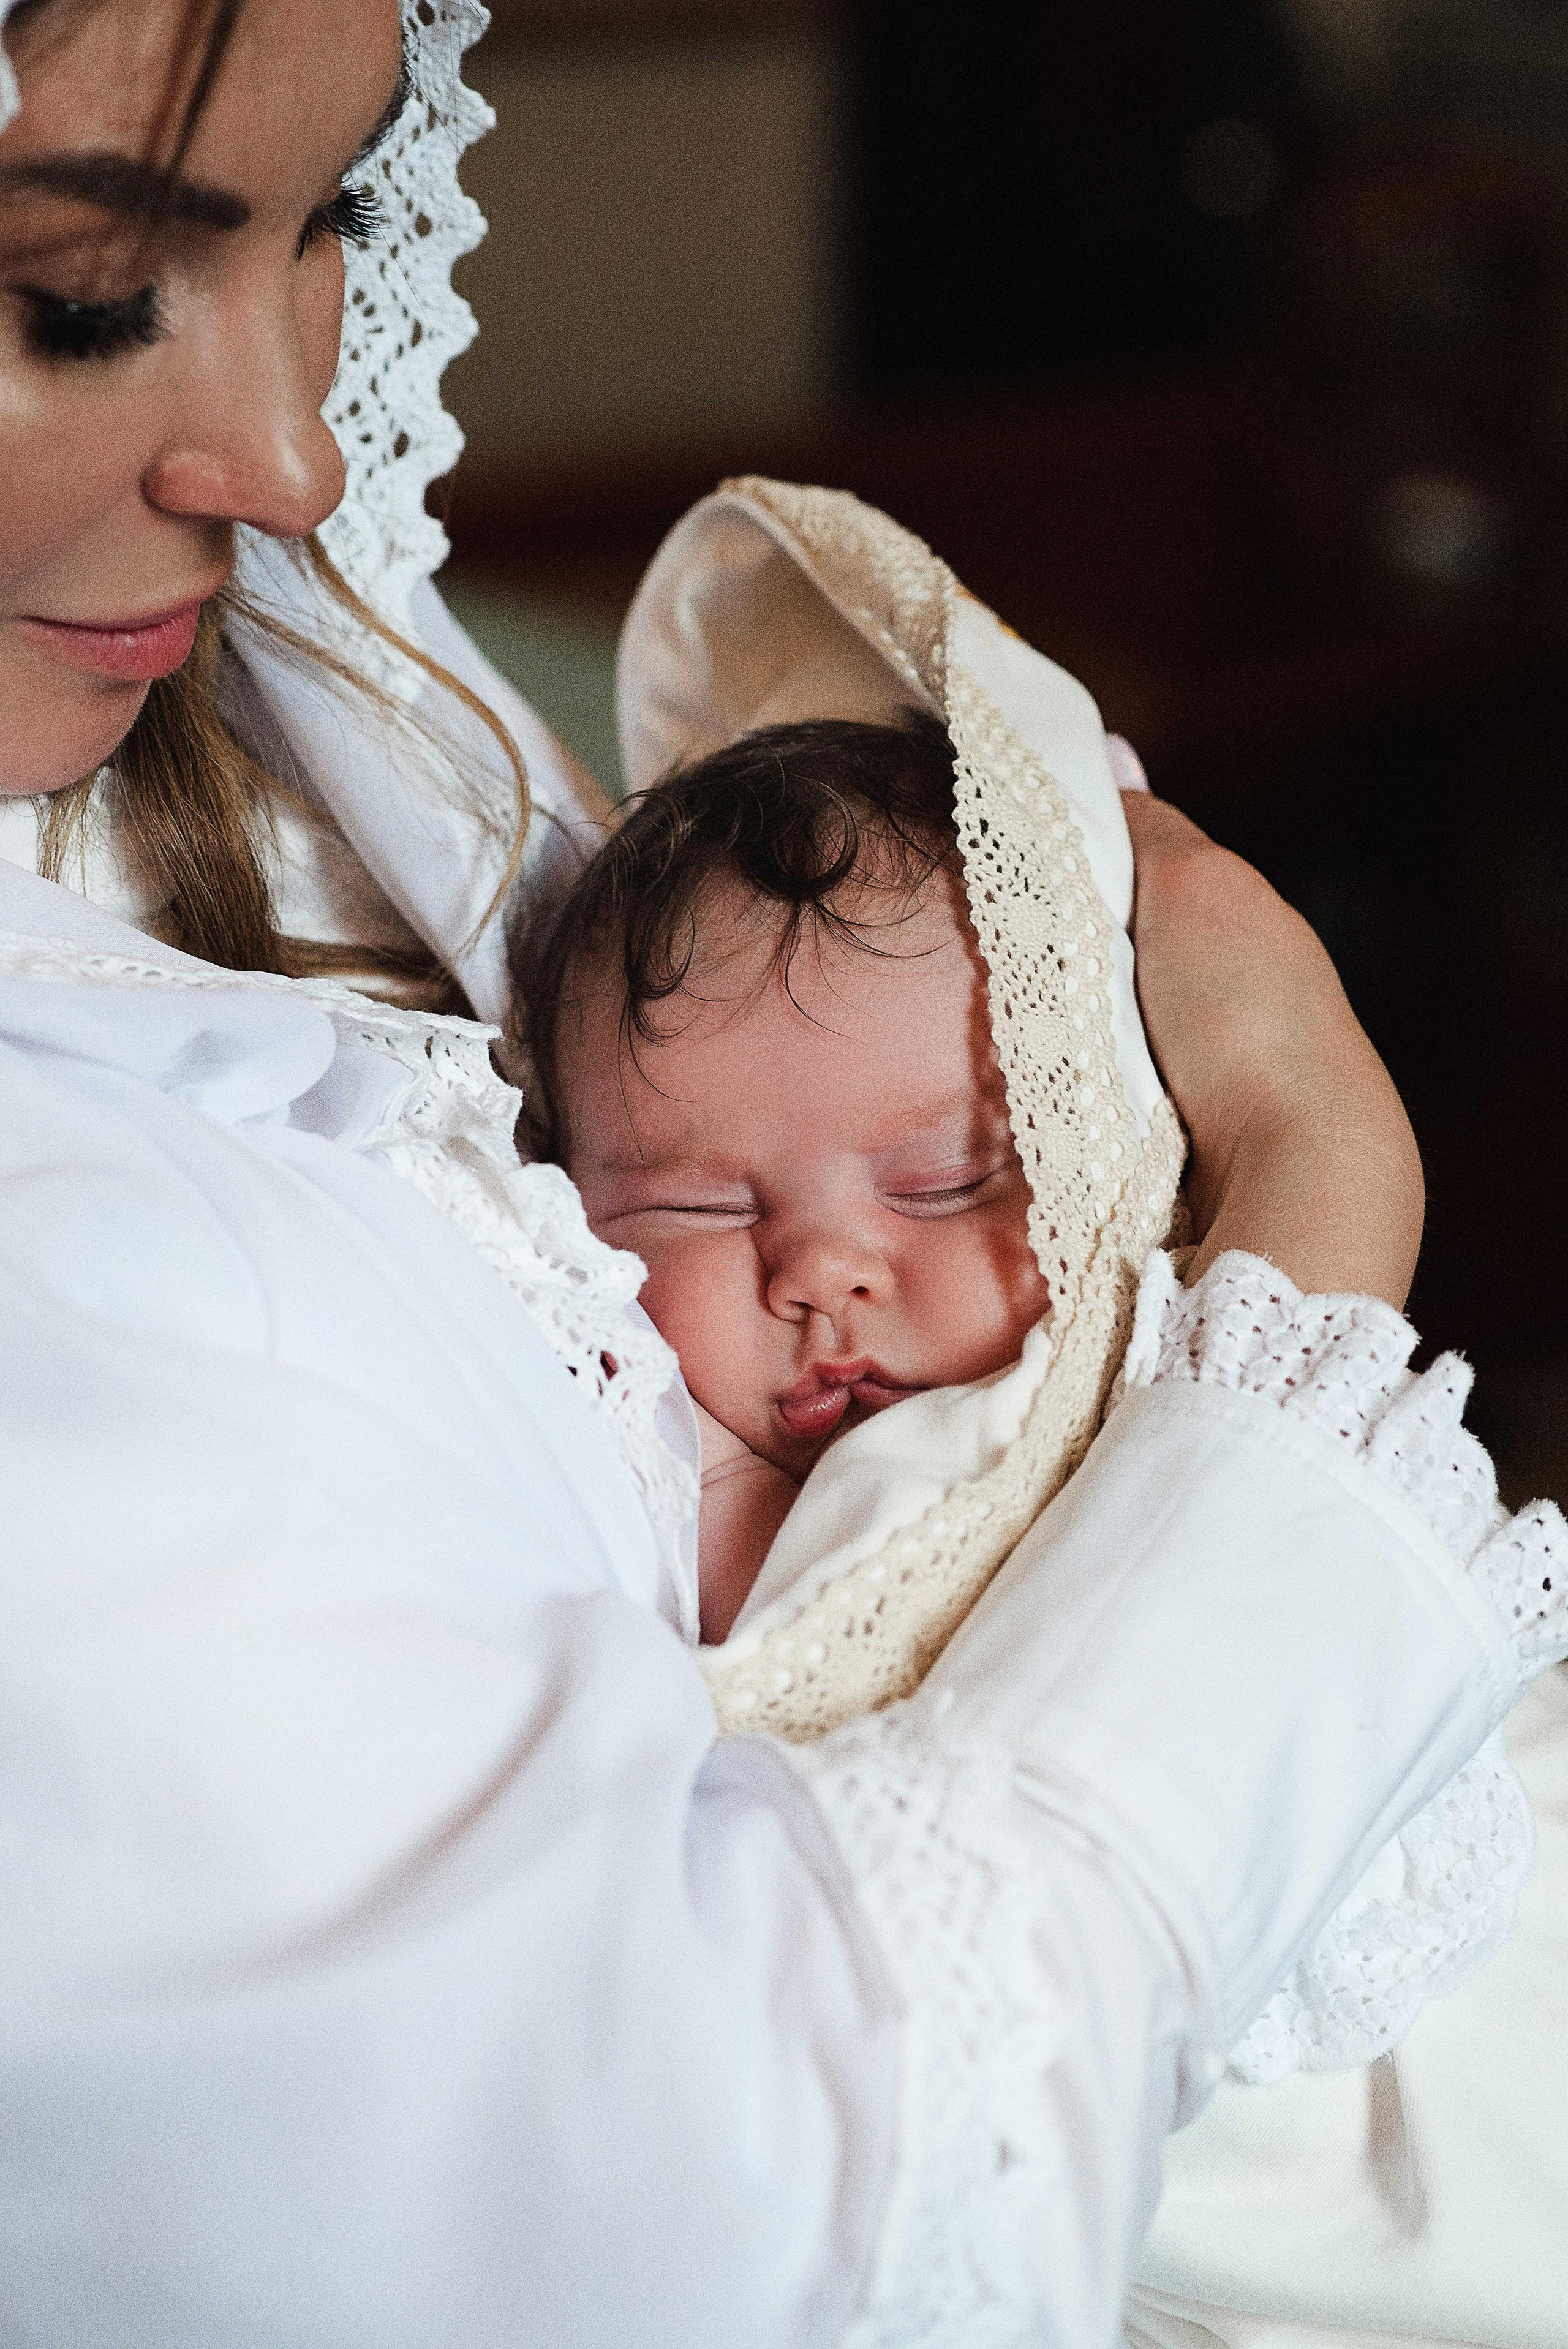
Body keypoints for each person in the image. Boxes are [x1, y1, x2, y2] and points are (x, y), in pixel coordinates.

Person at [0, 7, 1560, 2348]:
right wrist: (1322, 1196)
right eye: (85, 299)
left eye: (330, 225)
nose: (299, 461)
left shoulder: (313, 712)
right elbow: (791, 2219)